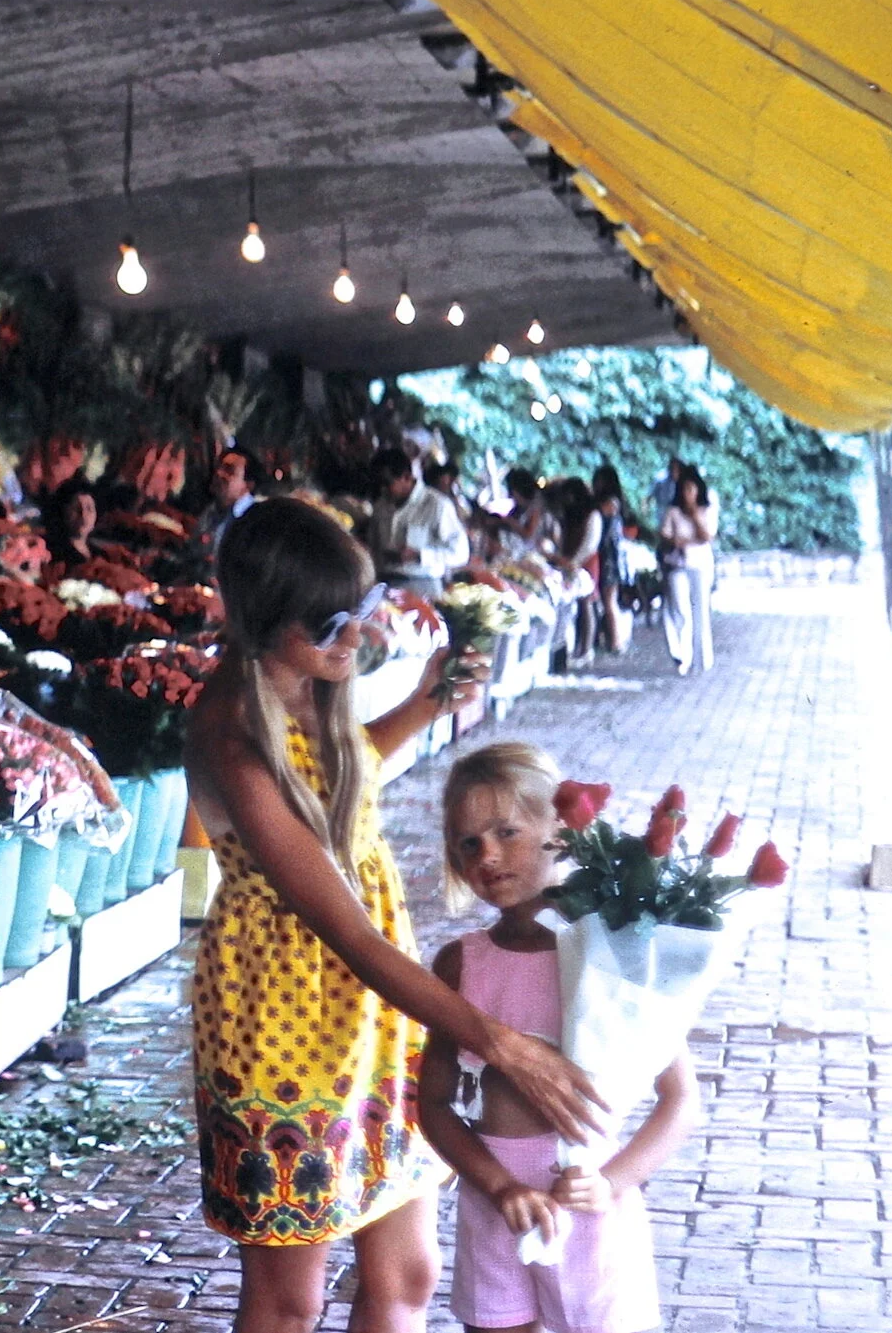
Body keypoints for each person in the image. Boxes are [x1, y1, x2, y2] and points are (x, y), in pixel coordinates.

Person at [184, 499, 602, 1333]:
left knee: (408, 1272)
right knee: (288, 1295)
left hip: (374, 1016)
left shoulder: (303, 685)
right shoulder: (231, 733)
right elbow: (348, 934)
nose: (353, 640)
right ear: (267, 624)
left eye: (360, 616)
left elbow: (336, 772)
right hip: (280, 1022)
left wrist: (424, 704)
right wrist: (502, 1041)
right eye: (330, 626)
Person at [423, 743, 697, 1333]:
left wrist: (613, 1184)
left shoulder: (611, 954)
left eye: (507, 832)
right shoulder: (460, 963)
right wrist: (497, 1187)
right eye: (469, 843)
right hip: (495, 1207)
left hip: (591, 1209)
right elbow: (434, 1104)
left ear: (561, 831)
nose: (488, 855)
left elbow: (680, 1099)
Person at [370, 447, 470, 597]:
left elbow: (461, 553)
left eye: (387, 482)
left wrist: (420, 556)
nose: (383, 489)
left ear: (406, 477)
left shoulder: (437, 505)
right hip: (384, 583)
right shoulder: (381, 505)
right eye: (379, 483)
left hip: (422, 584)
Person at [660, 468, 718, 675]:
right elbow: (665, 535)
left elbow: (707, 536)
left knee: (700, 610)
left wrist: (694, 515)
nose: (687, 493)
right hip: (679, 565)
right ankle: (683, 657)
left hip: (700, 565)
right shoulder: (673, 511)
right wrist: (677, 541)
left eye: (691, 489)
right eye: (684, 489)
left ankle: (702, 659)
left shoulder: (707, 510)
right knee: (680, 609)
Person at [549, 479, 603, 666]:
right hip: (569, 561)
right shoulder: (571, 514)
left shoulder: (593, 515)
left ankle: (586, 649)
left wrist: (574, 562)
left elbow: (590, 543)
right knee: (572, 604)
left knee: (586, 603)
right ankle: (574, 648)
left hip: (585, 562)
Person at [590, 466, 632, 655]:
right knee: (608, 600)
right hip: (612, 557)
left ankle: (615, 642)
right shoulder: (616, 502)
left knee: (609, 600)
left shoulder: (609, 503)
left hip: (609, 558)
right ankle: (612, 639)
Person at [199, 448, 258, 560]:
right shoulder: (211, 511)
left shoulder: (254, 520)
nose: (219, 473)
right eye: (219, 467)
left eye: (229, 470)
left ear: (247, 486)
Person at [42, 475, 106, 574]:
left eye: (89, 508)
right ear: (63, 511)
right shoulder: (50, 550)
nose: (83, 515)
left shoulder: (101, 555)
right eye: (77, 508)